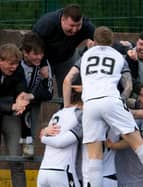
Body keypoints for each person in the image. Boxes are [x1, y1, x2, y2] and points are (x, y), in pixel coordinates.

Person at [80, 26, 143, 187]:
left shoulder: (85, 55)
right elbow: (128, 86)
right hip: (111, 100)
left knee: (94, 157)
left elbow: (68, 79)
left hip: (90, 103)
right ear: (112, 41)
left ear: (93, 41)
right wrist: (122, 101)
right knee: (139, 145)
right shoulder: (118, 56)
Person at [33, 3, 95, 97]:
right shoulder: (47, 23)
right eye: (71, 26)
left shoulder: (86, 26)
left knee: (72, 91)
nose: (74, 30)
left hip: (67, 58)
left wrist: (87, 51)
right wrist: (43, 64)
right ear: (62, 20)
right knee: (37, 90)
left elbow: (101, 40)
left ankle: (68, 111)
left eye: (78, 25)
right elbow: (33, 42)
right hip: (45, 58)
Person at [37, 85, 82, 187]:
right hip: (61, 171)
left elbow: (45, 133)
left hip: (43, 172)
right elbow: (61, 142)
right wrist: (43, 138)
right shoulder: (80, 114)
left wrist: (43, 135)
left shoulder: (57, 114)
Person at [0, 43, 32, 187]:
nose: (14, 67)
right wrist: (12, 106)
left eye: (17, 64)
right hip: (8, 106)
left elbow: (22, 88)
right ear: (1, 60)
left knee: (16, 159)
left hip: (11, 115)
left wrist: (21, 99)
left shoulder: (17, 69)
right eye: (11, 64)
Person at [19, 32, 53, 158]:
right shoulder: (15, 61)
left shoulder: (44, 65)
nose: (39, 57)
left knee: (28, 152)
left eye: (41, 54)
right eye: (35, 54)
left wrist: (31, 96)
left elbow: (49, 93)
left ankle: (27, 146)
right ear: (25, 53)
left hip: (32, 104)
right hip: (13, 105)